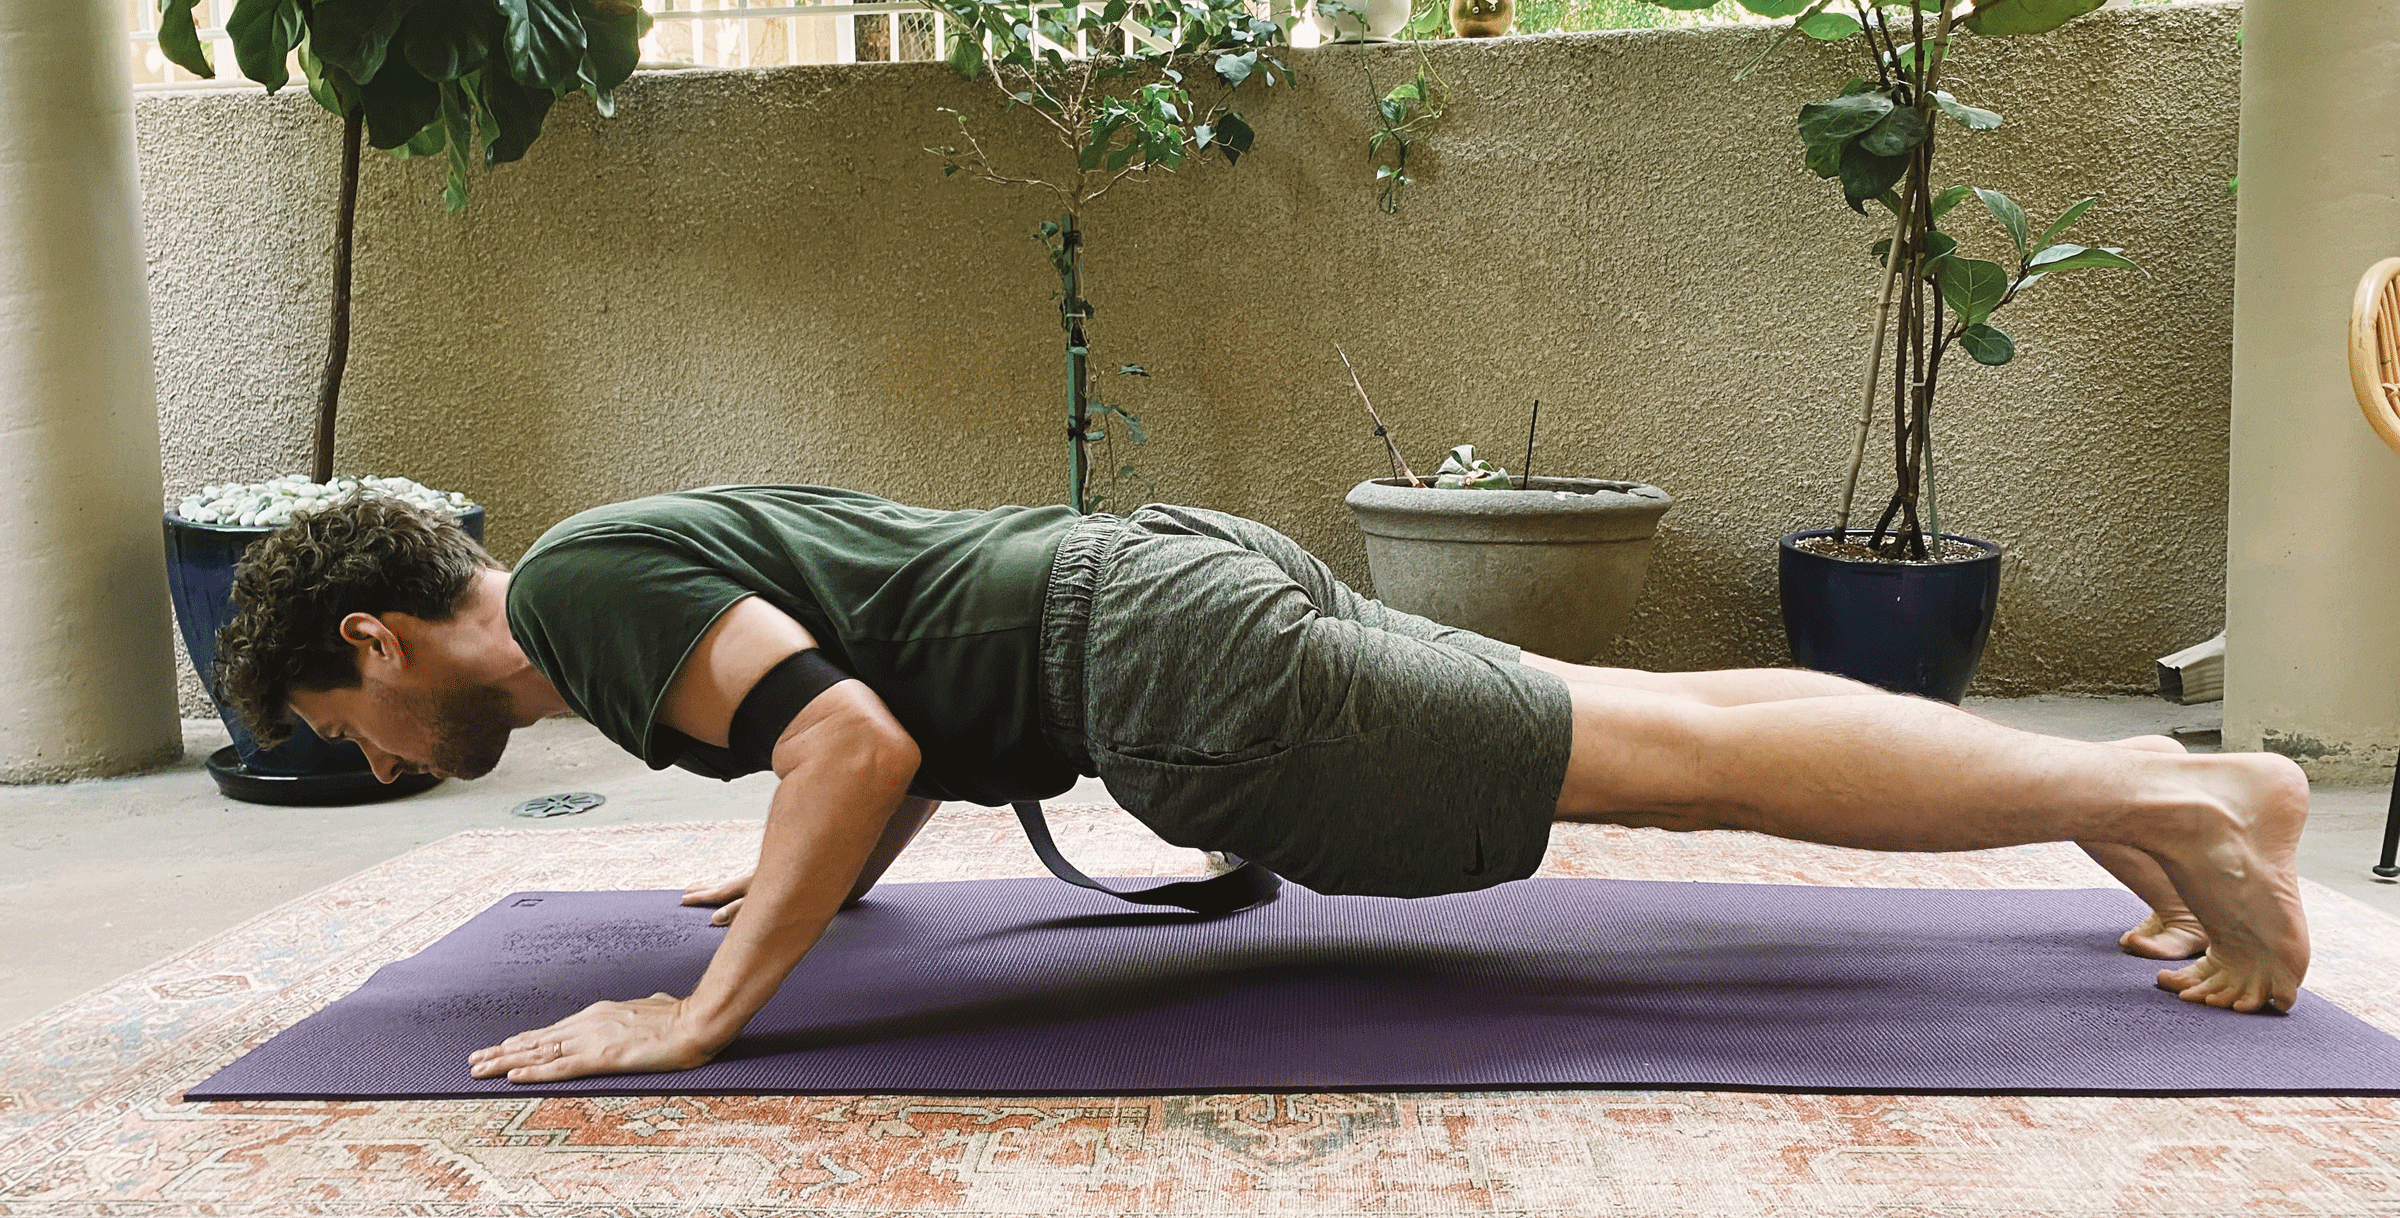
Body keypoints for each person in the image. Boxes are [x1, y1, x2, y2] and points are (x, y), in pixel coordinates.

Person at [211, 485, 2312, 1086]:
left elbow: (846, 734)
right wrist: (811, 886)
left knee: (1670, 766)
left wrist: (711, 1011)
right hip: (1156, 594)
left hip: (1155, 655)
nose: (372, 765)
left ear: (377, 641)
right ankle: (2139, 783)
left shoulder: (575, 596)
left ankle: (2172, 814)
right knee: (1670, 721)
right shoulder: (607, 575)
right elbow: (879, 719)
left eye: (338, 730)